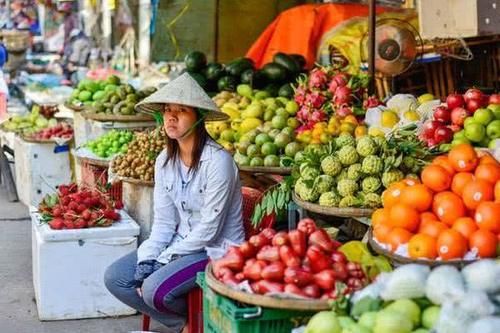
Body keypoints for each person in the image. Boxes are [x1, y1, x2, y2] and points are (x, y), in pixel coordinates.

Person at [104, 73, 245, 333]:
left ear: (199, 117)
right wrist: (148, 258)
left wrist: (164, 259)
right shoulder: (164, 161)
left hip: (214, 250)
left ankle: (196, 320)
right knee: (116, 278)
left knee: (153, 289)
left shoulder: (218, 162)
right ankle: (184, 324)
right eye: (168, 110)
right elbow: (165, 223)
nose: (171, 116)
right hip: (179, 243)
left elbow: (209, 230)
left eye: (181, 110)